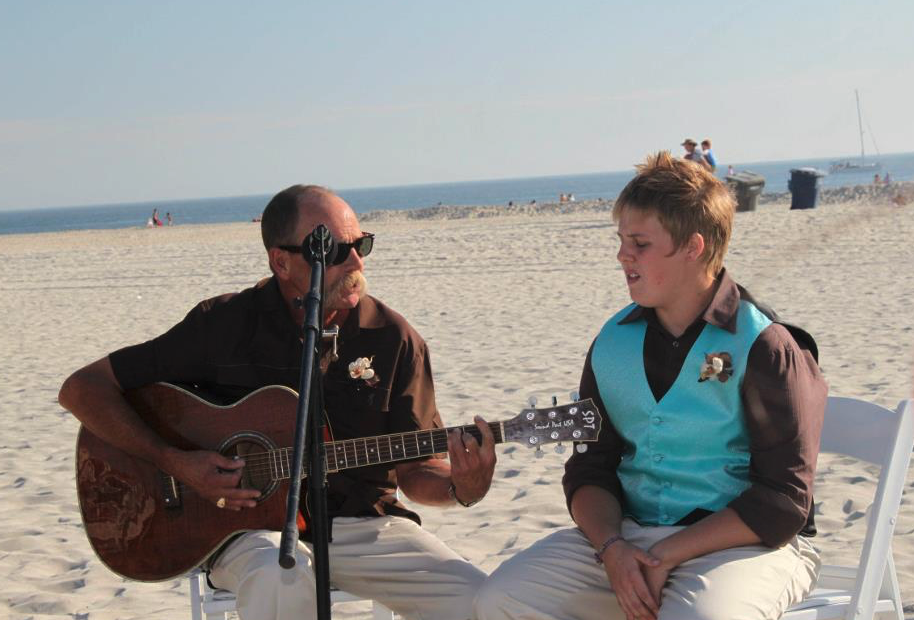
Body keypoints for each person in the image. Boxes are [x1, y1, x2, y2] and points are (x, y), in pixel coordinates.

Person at [58, 185, 496, 620]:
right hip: (246, 530)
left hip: (364, 524)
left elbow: (417, 470)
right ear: (281, 261)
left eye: (362, 245)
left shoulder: (393, 338)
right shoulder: (223, 324)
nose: (357, 262)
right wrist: (172, 461)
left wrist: (462, 488)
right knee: (281, 577)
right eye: (335, 250)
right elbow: (82, 389)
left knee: (478, 600)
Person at [475, 152, 825, 620]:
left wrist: (669, 554)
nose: (623, 255)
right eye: (622, 241)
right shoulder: (612, 341)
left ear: (693, 247)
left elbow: (784, 503)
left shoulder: (766, 345)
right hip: (629, 536)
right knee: (498, 600)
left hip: (749, 545)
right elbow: (590, 470)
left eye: (639, 243)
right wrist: (613, 548)